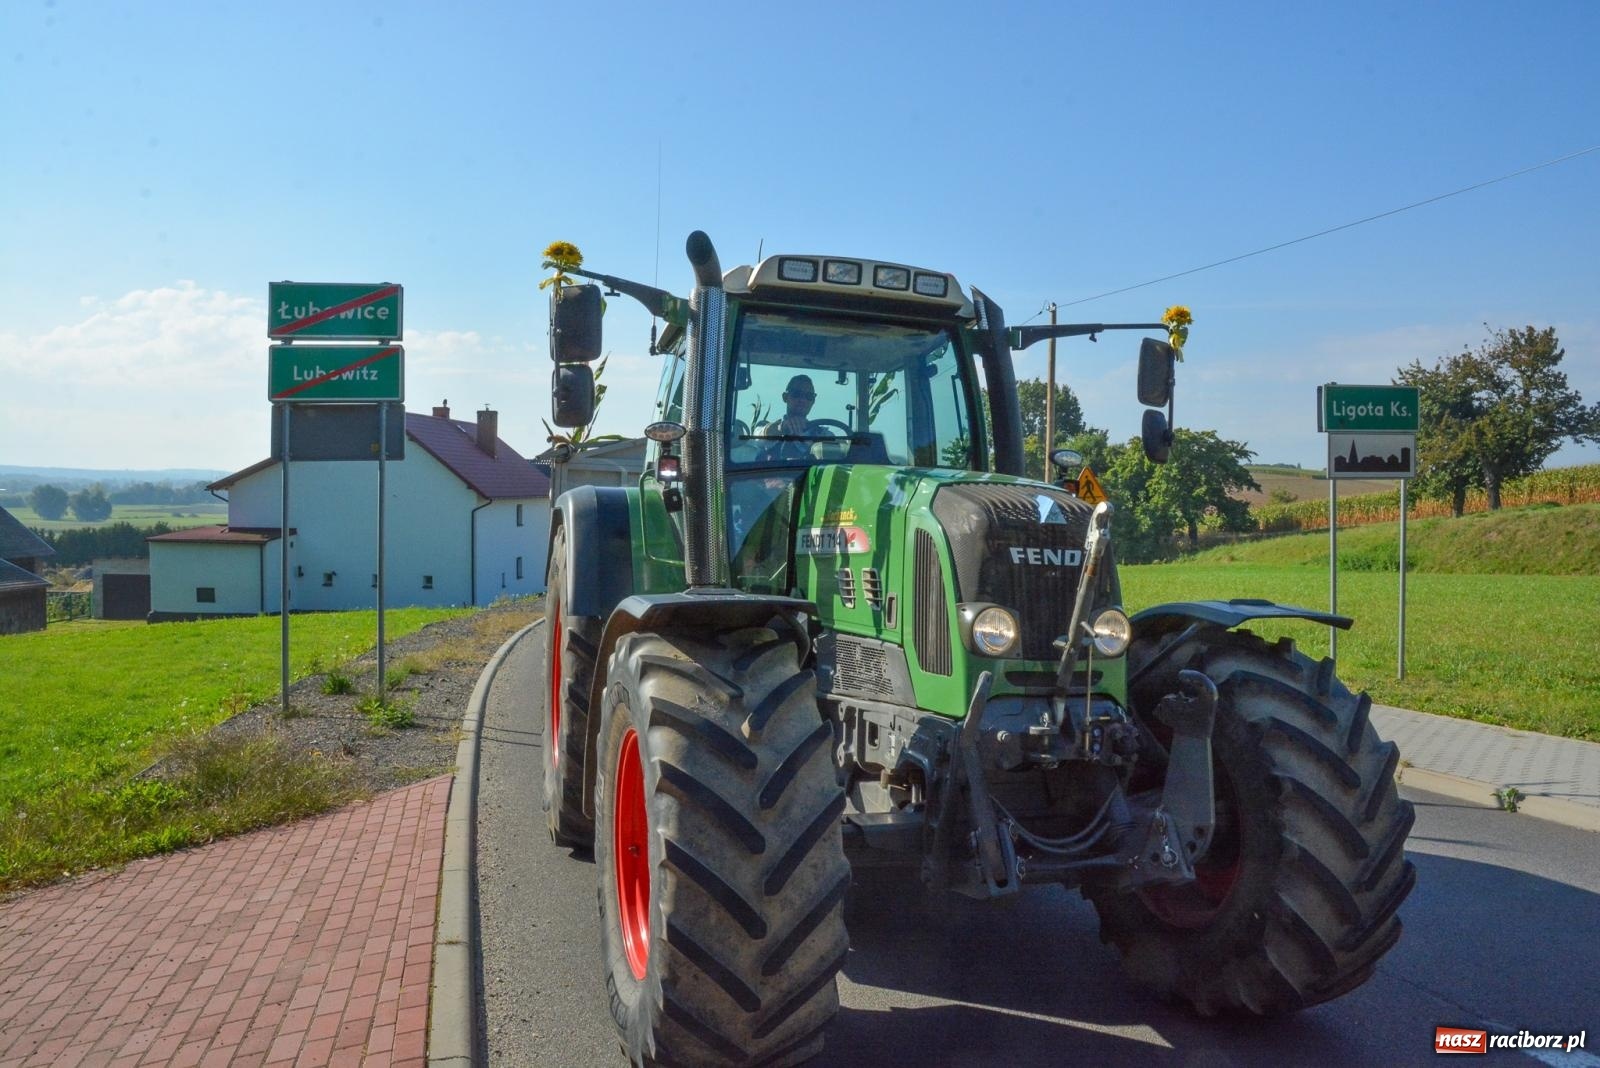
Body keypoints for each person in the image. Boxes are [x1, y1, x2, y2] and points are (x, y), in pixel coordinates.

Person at [759, 374, 832, 459]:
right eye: (797, 394)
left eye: (809, 396)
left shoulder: (824, 435)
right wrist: (781, 427)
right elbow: (758, 436)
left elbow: (839, 454)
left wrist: (813, 446)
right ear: (785, 397)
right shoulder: (770, 431)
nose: (802, 400)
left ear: (813, 401)